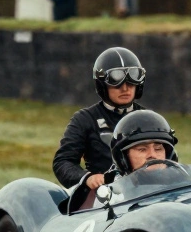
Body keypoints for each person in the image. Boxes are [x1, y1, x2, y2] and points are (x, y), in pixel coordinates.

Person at [53, 47, 148, 190]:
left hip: (147, 192)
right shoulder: (85, 119)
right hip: (104, 195)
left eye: (132, 80)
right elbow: (63, 162)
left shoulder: (148, 118)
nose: (125, 88)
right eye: (116, 81)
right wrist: (87, 178)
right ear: (102, 85)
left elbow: (170, 161)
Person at [109, 109, 178, 175]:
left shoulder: (181, 181)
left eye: (158, 149)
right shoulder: (113, 183)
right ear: (123, 159)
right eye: (142, 149)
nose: (152, 155)